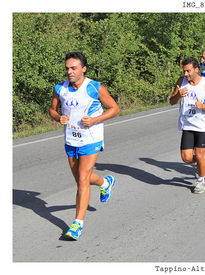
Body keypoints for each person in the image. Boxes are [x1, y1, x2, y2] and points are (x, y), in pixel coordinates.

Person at [49, 52, 120, 240]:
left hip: (91, 138)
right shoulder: (60, 88)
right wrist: (59, 117)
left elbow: (114, 109)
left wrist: (95, 120)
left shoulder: (95, 87)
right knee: (82, 179)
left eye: (73, 68)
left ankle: (77, 224)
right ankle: (105, 183)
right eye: (67, 68)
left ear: (83, 68)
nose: (69, 71)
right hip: (71, 139)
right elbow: (52, 110)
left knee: (82, 178)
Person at [169, 57, 205, 194]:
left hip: (202, 126)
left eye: (188, 71)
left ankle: (201, 181)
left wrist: (202, 106)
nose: (186, 74)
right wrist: (178, 96)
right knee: (186, 158)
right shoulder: (181, 82)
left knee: (199, 155)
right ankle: (200, 162)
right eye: (184, 71)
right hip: (187, 124)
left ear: (196, 69)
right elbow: (171, 102)